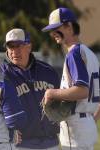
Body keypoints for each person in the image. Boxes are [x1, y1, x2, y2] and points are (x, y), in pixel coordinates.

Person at [42, 7, 100, 150]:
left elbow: (82, 90)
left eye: (56, 28)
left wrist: (51, 93)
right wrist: (92, 119)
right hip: (87, 125)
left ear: (69, 26)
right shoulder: (90, 54)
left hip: (76, 128)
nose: (53, 33)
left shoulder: (74, 54)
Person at [1, 28, 60, 150]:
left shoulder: (48, 71)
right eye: (10, 47)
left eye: (19, 46)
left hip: (51, 142)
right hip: (21, 144)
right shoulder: (2, 76)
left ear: (29, 46)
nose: (14, 51)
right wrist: (8, 129)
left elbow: (62, 102)